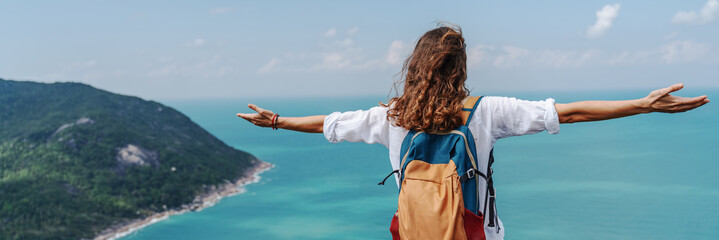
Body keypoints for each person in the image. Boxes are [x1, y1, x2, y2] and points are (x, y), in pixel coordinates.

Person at [236, 24, 709, 240]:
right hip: (471, 232)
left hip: (414, 231)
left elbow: (329, 124)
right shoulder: (484, 112)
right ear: (460, 69)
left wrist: (276, 121)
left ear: (415, 66)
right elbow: (569, 113)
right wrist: (643, 106)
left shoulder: (392, 116)